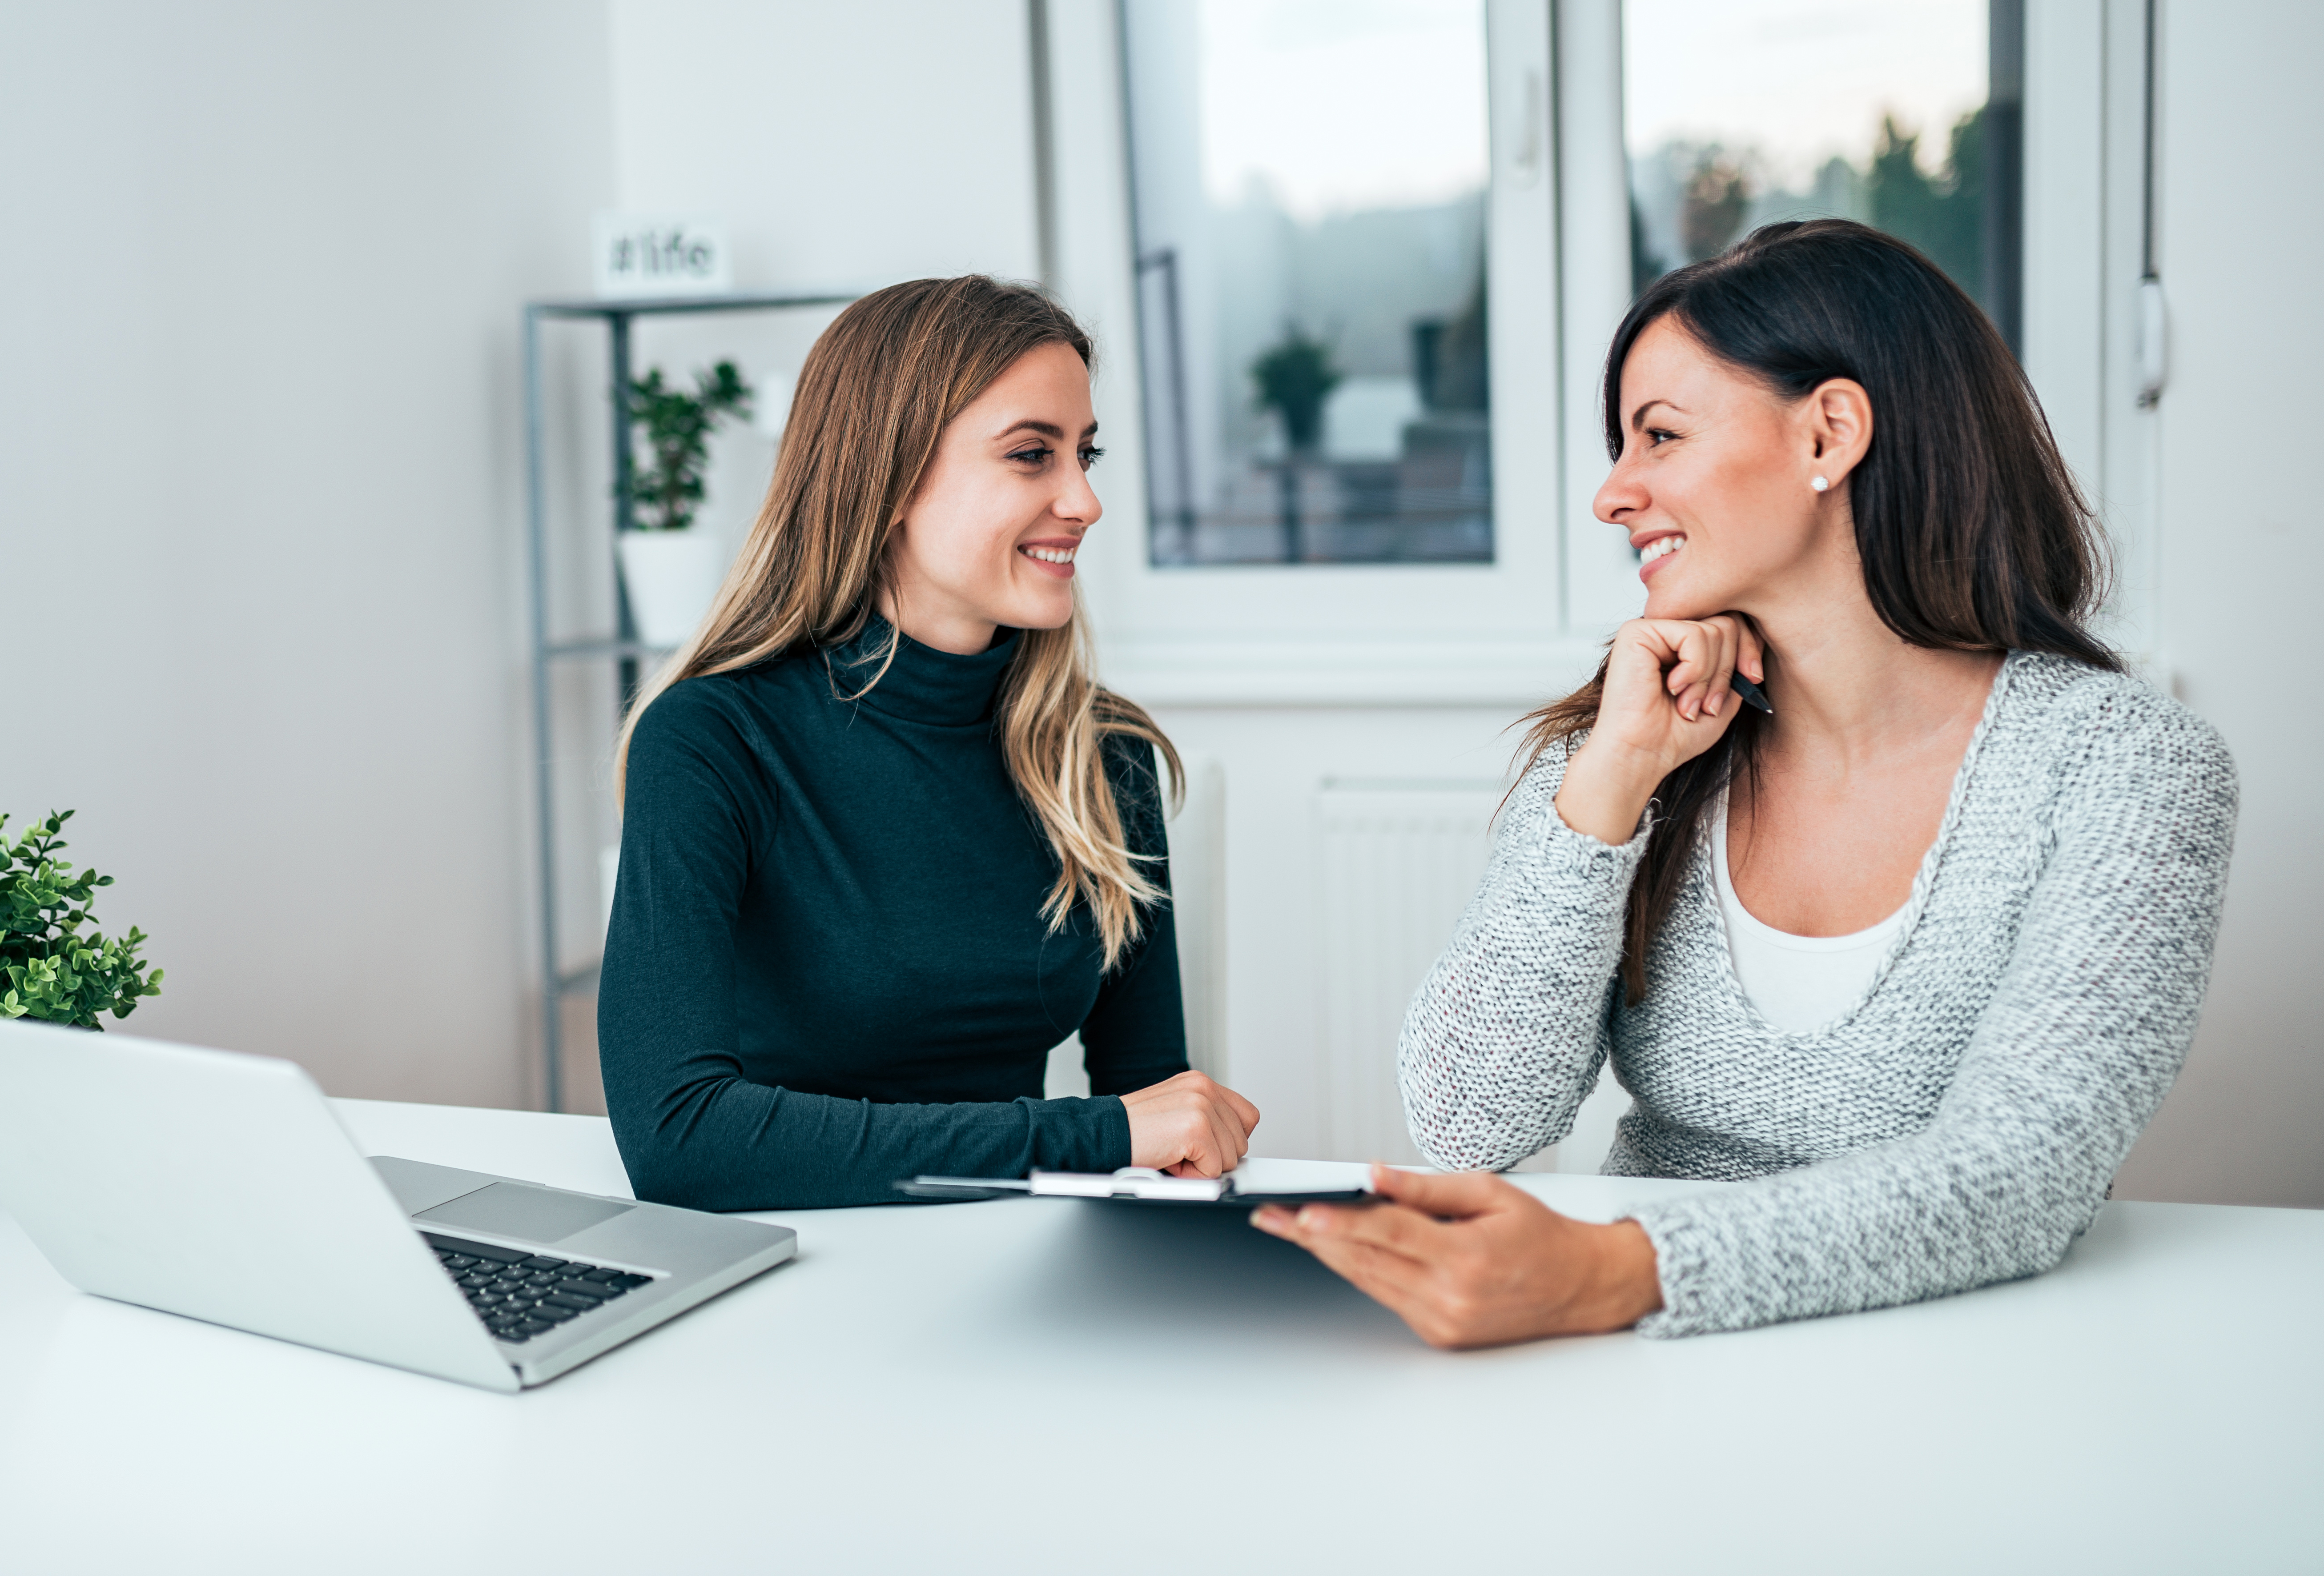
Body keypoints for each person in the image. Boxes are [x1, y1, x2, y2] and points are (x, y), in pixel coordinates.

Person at [1254, 220, 2236, 1344]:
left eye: (1657, 436)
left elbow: (2014, 1177)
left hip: (1957, 1366)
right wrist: (1609, 783)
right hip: (1632, 1365)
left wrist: (1614, 1271)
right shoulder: (1642, 738)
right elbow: (1470, 1119)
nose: (1611, 495)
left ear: (1829, 430)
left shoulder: (2125, 766)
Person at [598, 275, 1258, 1211]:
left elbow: (1154, 1106)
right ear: (890, 476)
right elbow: (680, 1139)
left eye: (1086, 454)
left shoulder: (1099, 752)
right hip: (782, 1269)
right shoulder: (713, 738)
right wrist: (1094, 1134)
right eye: (1032, 454)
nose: (1085, 500)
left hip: (1015, 1269)